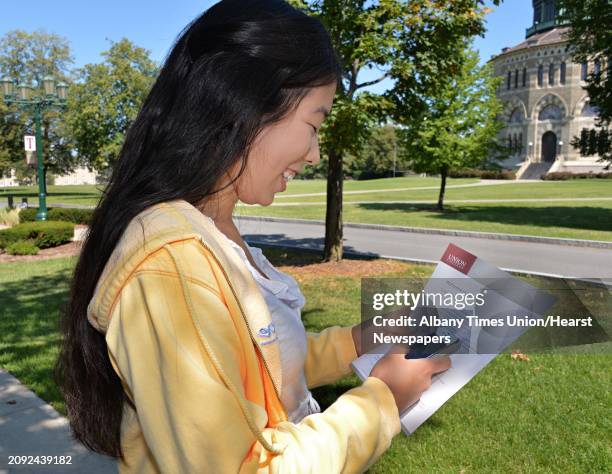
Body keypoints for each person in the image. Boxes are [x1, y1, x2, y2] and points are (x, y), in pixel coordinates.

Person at [54, 1, 451, 472]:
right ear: (244, 105)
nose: (313, 153)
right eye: (313, 124)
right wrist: (382, 399)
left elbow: (260, 367)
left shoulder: (211, 232)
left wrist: (360, 341)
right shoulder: (173, 265)